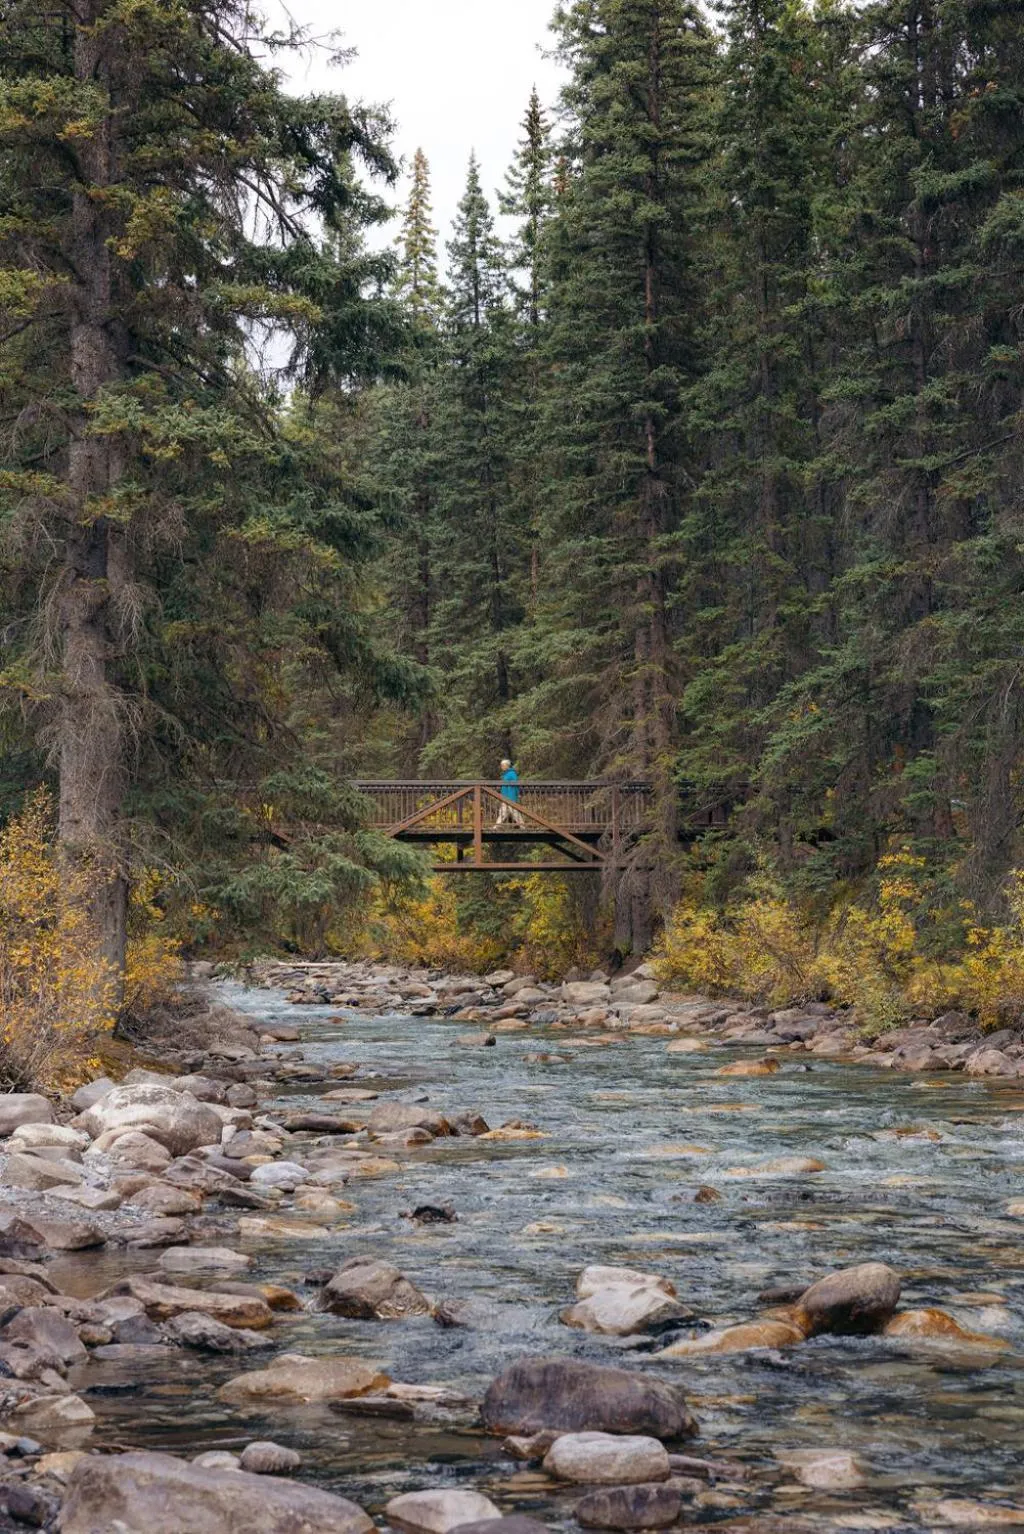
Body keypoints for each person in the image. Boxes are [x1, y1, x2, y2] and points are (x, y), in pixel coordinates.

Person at [494, 758, 525, 828]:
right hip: (505, 796)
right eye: (501, 765)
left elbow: (515, 784)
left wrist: (518, 793)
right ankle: (496, 827)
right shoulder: (506, 774)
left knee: (513, 811)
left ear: (507, 765)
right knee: (503, 812)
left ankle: (523, 826)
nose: (501, 767)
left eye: (502, 765)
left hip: (510, 796)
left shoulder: (512, 773)